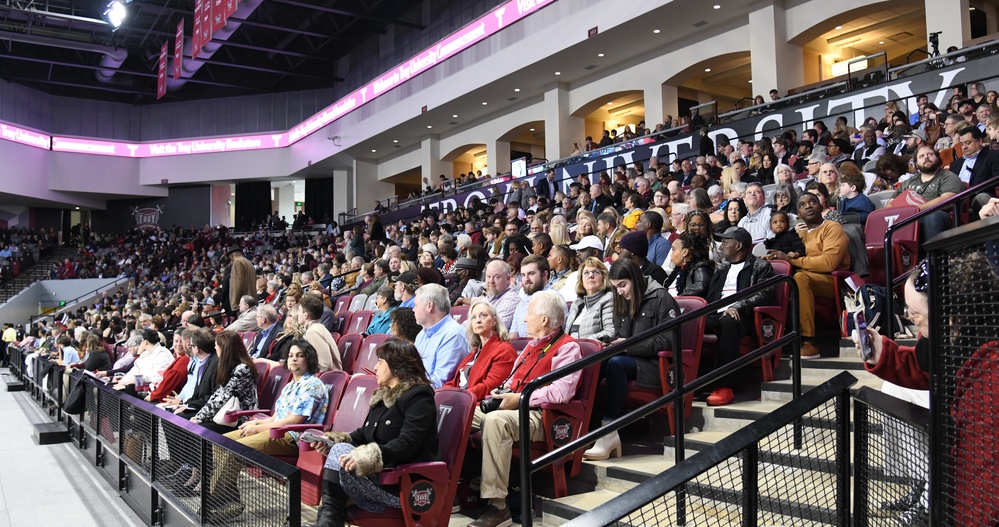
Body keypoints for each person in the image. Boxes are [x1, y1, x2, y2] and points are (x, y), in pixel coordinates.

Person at [469, 291, 581, 527]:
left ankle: (498, 508)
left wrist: (520, 399)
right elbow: (511, 381)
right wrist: (502, 394)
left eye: (529, 314)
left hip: (542, 416)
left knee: (496, 422)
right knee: (461, 413)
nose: (524, 319)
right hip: (516, 407)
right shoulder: (530, 346)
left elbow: (561, 393)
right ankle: (456, 485)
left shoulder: (568, 348)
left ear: (544, 320)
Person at [306, 340, 438, 527]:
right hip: (376, 476)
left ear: (396, 365)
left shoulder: (419, 396)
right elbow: (363, 434)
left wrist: (369, 456)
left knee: (339, 460)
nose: (375, 366)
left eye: (380, 361)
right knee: (339, 450)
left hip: (401, 483)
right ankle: (327, 522)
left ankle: (328, 522)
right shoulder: (383, 395)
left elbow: (408, 442)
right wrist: (334, 441)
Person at [208, 339, 328, 521]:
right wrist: (255, 424)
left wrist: (258, 429)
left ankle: (212, 498)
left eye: (299, 356)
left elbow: (295, 420)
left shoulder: (312, 385)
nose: (294, 359)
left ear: (308, 360)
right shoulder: (290, 385)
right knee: (219, 442)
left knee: (235, 450)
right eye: (290, 356)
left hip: (292, 436)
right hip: (275, 429)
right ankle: (230, 500)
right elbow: (277, 416)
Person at [855, 262, 930, 525]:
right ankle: (925, 483)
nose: (909, 316)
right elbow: (926, 369)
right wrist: (883, 352)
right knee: (892, 390)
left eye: (916, 312)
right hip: (947, 391)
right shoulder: (935, 331)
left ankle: (933, 500)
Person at [584, 258, 679, 460]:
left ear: (635, 279)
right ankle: (585, 427)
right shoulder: (621, 299)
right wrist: (612, 343)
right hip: (630, 358)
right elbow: (620, 334)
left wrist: (628, 345)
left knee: (615, 364)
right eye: (616, 287)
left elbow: (669, 340)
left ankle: (609, 431)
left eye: (622, 285)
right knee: (595, 363)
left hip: (655, 365)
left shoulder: (661, 297)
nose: (619, 292)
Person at [766, 193, 850, 358]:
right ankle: (772, 338)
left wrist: (790, 259)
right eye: (803, 205)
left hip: (832, 281)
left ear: (820, 206)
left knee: (799, 278)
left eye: (812, 202)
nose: (808, 206)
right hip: (805, 278)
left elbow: (828, 263)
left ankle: (809, 340)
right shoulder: (799, 235)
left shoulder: (832, 227)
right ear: (798, 214)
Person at [703, 227, 775, 406]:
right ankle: (687, 382)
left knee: (728, 324)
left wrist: (739, 306)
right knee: (687, 325)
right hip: (717, 314)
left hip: (744, 317)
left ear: (739, 245)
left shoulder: (761, 266)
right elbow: (711, 298)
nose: (721, 247)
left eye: (726, 242)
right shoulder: (721, 269)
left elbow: (765, 294)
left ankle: (724, 386)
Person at [443, 300, 517, 401]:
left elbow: (489, 386)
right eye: (474, 317)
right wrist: (440, 394)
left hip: (476, 402)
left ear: (494, 321)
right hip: (462, 398)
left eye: (483, 315)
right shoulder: (474, 352)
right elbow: (455, 382)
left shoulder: (505, 350)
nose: (478, 320)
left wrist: (458, 398)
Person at [889, 145, 965, 243]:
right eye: (921, 156)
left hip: (940, 218)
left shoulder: (948, 177)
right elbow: (890, 203)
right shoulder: (908, 182)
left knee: (932, 216)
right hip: (908, 218)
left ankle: (932, 257)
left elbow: (949, 199)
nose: (926, 157)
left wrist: (916, 210)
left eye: (930, 154)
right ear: (916, 164)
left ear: (937, 158)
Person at [191, 331, 260, 432]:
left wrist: (201, 417)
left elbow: (224, 398)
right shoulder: (229, 366)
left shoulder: (242, 369)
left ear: (224, 348)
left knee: (198, 429)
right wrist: (199, 416)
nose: (215, 348)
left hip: (238, 417)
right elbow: (217, 394)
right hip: (225, 413)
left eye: (216, 346)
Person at [412, 283, 469, 389]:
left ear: (429, 306)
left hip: (432, 399)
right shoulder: (421, 335)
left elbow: (440, 382)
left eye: (416, 305)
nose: (413, 309)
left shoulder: (453, 335)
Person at [564, 257, 616, 343]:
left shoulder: (608, 298)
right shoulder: (577, 304)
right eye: (586, 273)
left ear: (604, 278)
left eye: (596, 272)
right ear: (581, 280)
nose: (591, 276)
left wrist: (583, 343)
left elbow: (610, 332)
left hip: (591, 353)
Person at [836, 166, 875, 276]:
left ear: (853, 187)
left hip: (859, 228)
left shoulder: (863, 200)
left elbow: (868, 217)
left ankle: (860, 268)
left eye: (843, 185)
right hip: (845, 226)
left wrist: (851, 217)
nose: (840, 188)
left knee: (851, 231)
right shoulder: (843, 202)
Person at [509, 254, 551, 339]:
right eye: (523, 275)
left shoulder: (553, 299)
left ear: (544, 274)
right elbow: (513, 336)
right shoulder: (522, 303)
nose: (526, 279)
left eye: (531, 274)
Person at [300, 294, 342, 371]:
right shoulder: (317, 327)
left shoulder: (313, 331)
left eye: (299, 311)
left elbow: (325, 365)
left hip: (327, 379)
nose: (297, 314)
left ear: (305, 315)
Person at [666, 231, 713, 299]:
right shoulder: (678, 270)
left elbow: (701, 286)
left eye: (673, 249)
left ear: (685, 252)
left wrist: (678, 298)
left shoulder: (700, 267)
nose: (671, 254)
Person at [217, 245, 256, 315]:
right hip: (251, 298)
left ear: (231, 256)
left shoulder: (237, 262)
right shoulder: (248, 262)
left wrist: (234, 303)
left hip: (244, 302)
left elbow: (237, 283)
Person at [482, 259, 520, 330]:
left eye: (497, 277)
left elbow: (494, 329)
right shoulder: (491, 295)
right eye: (488, 276)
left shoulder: (511, 299)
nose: (491, 281)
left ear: (508, 279)